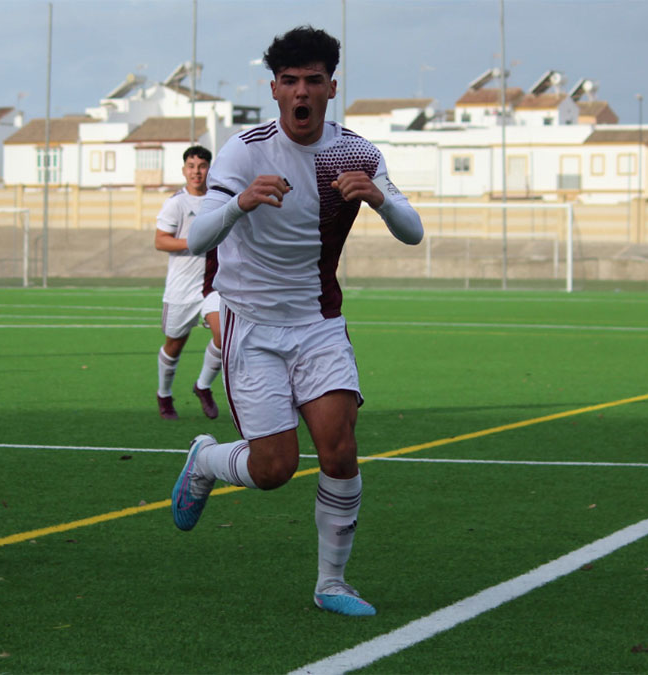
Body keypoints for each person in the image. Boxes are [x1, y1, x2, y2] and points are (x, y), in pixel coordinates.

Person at [169, 26, 423, 616]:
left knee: (339, 452)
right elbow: (194, 239)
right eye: (289, 82)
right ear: (275, 90)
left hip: (318, 323)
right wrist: (239, 202)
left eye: (313, 80)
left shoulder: (355, 152)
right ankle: (206, 460)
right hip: (250, 326)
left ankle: (331, 583)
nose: (301, 92)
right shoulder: (243, 151)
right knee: (275, 468)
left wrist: (382, 201)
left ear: (331, 88)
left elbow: (413, 231)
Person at [153, 145, 223, 420]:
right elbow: (160, 240)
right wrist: (195, 242)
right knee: (174, 346)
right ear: (184, 170)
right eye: (192, 166)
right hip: (181, 289)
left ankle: (203, 386)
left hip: (212, 287)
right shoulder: (176, 203)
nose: (197, 172)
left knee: (224, 336)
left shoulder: (218, 200)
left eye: (202, 166)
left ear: (209, 169)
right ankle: (164, 394)